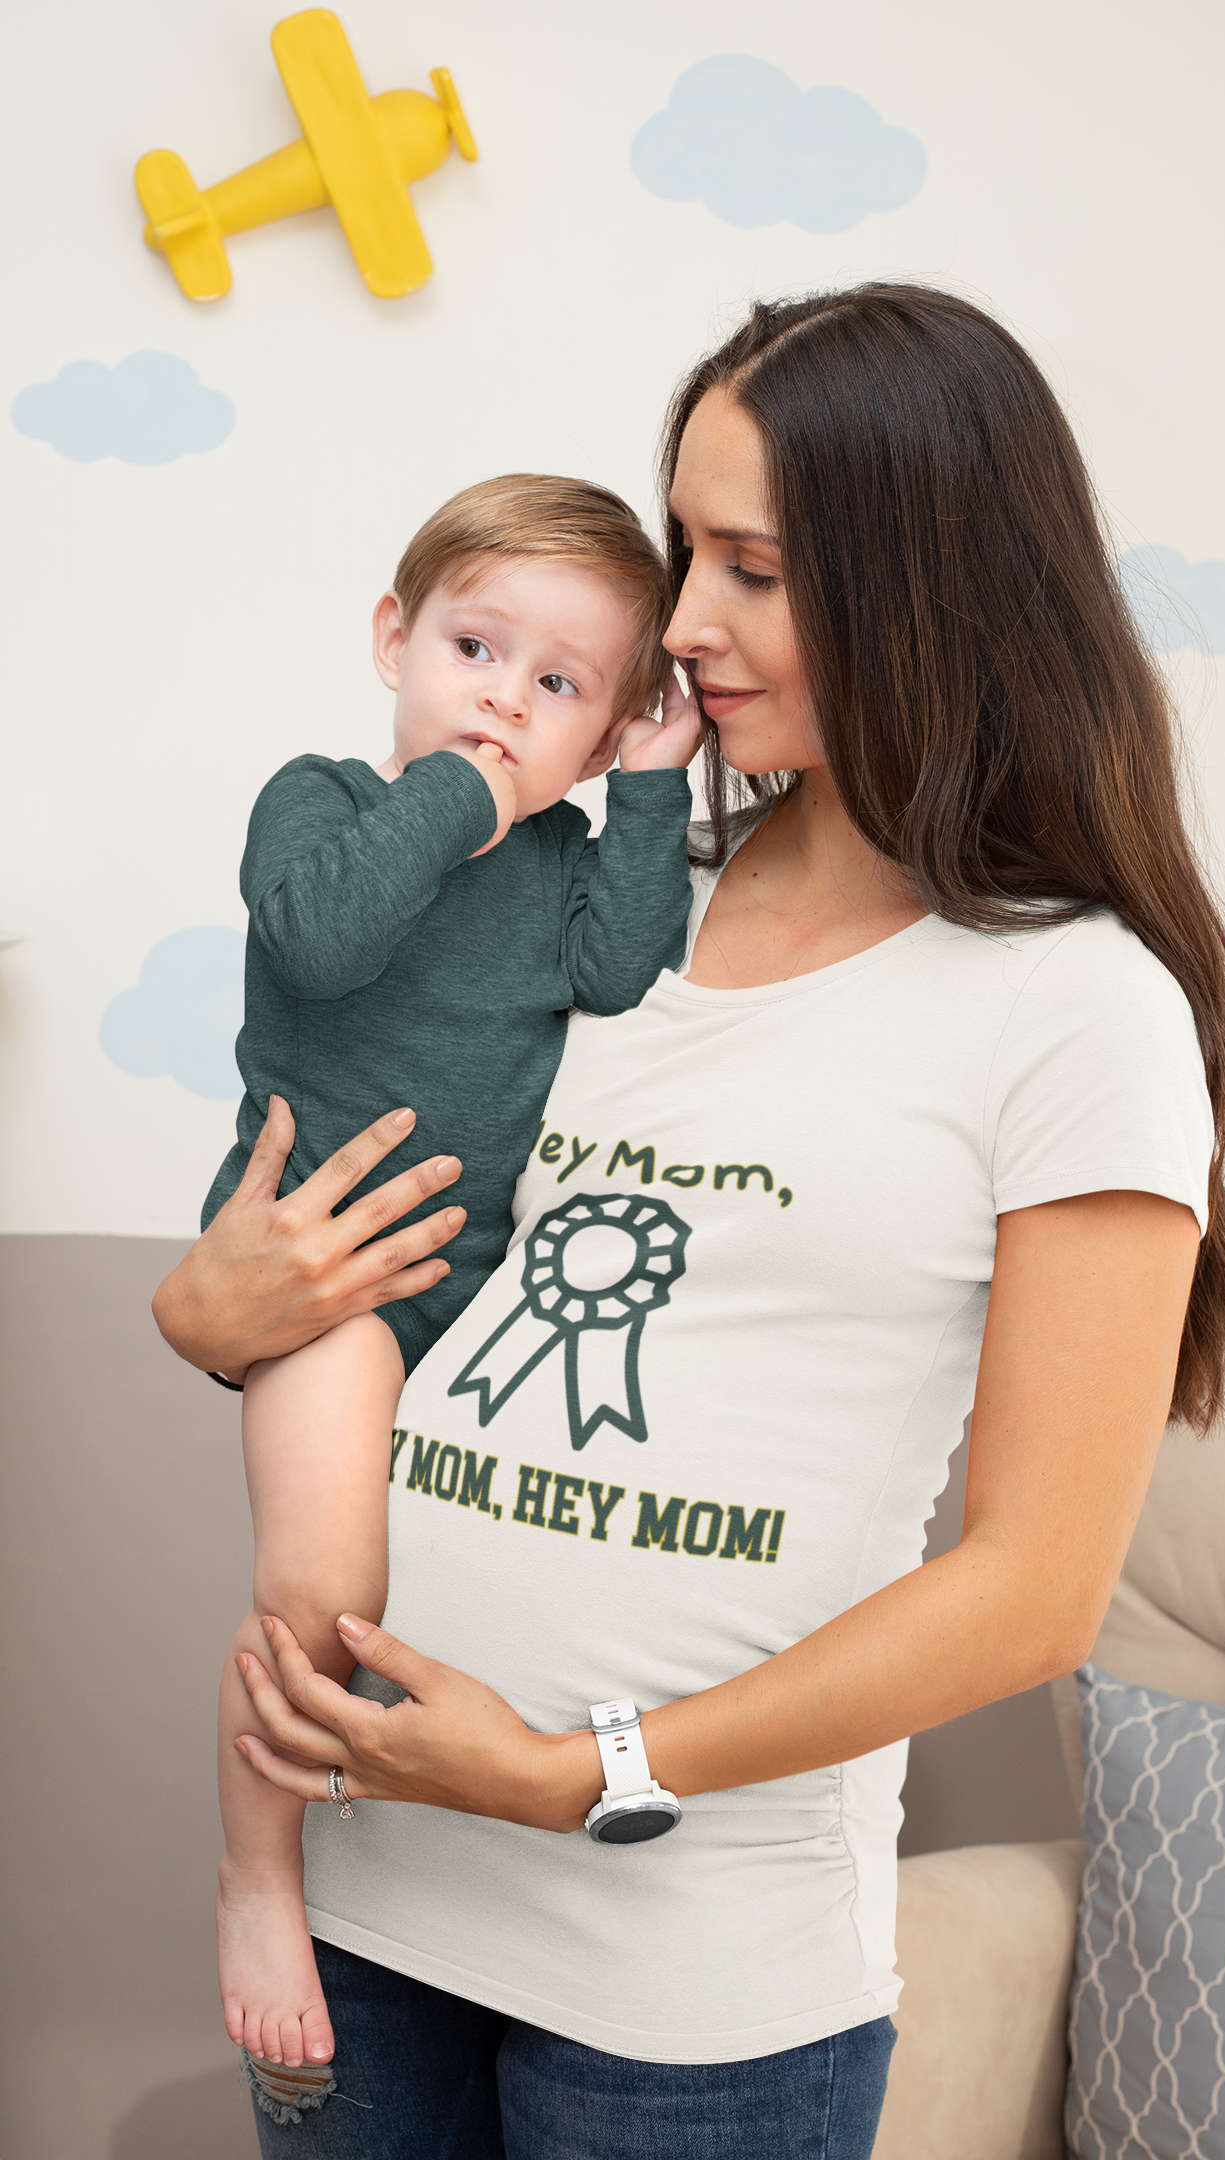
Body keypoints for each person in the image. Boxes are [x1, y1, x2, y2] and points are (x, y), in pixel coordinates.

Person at [154, 283, 1225, 2160]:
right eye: (690, 554)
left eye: (754, 567)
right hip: (369, 1887)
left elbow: (1031, 1590)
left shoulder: (1077, 1006)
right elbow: (404, 1241)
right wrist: (209, 1314)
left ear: (926, 589)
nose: (681, 624)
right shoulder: (616, 897)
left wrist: (579, 1771)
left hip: (686, 2000)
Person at [204, 475, 701, 2077]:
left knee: (479, 1605)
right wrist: (464, 792)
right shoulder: (324, 799)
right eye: (475, 648)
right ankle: (259, 1874)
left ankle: (459, 1881)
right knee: (324, 1585)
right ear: (391, 638)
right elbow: (326, 941)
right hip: (327, 1280)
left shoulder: (567, 857)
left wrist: (642, 794)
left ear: (609, 723)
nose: (503, 697)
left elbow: (621, 966)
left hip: (492, 1298)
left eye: (559, 686)